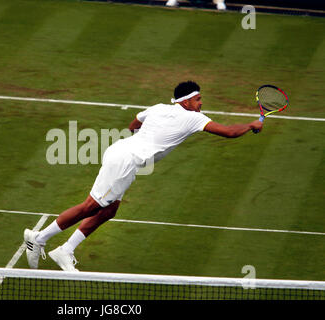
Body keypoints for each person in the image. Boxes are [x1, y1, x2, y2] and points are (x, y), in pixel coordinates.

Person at [24, 81, 263, 272]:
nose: (201, 103)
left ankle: (65, 251)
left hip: (122, 152)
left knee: (109, 210)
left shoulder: (159, 108)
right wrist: (253, 124)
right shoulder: (193, 118)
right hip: (125, 161)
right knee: (91, 206)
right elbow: (230, 133)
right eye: (198, 99)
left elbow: (133, 125)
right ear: (186, 101)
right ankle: (39, 238)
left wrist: (146, 141)